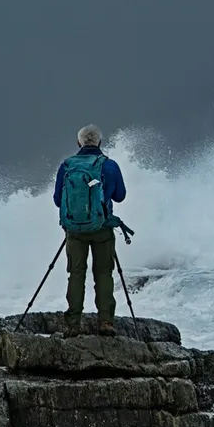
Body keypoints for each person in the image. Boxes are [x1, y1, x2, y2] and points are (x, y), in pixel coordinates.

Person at [53, 124, 127, 337]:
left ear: (79, 143)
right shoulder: (110, 165)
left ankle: (73, 324)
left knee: (76, 274)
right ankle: (105, 322)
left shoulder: (67, 166)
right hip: (102, 229)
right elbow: (120, 196)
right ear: (100, 142)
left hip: (74, 230)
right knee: (103, 274)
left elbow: (58, 200)